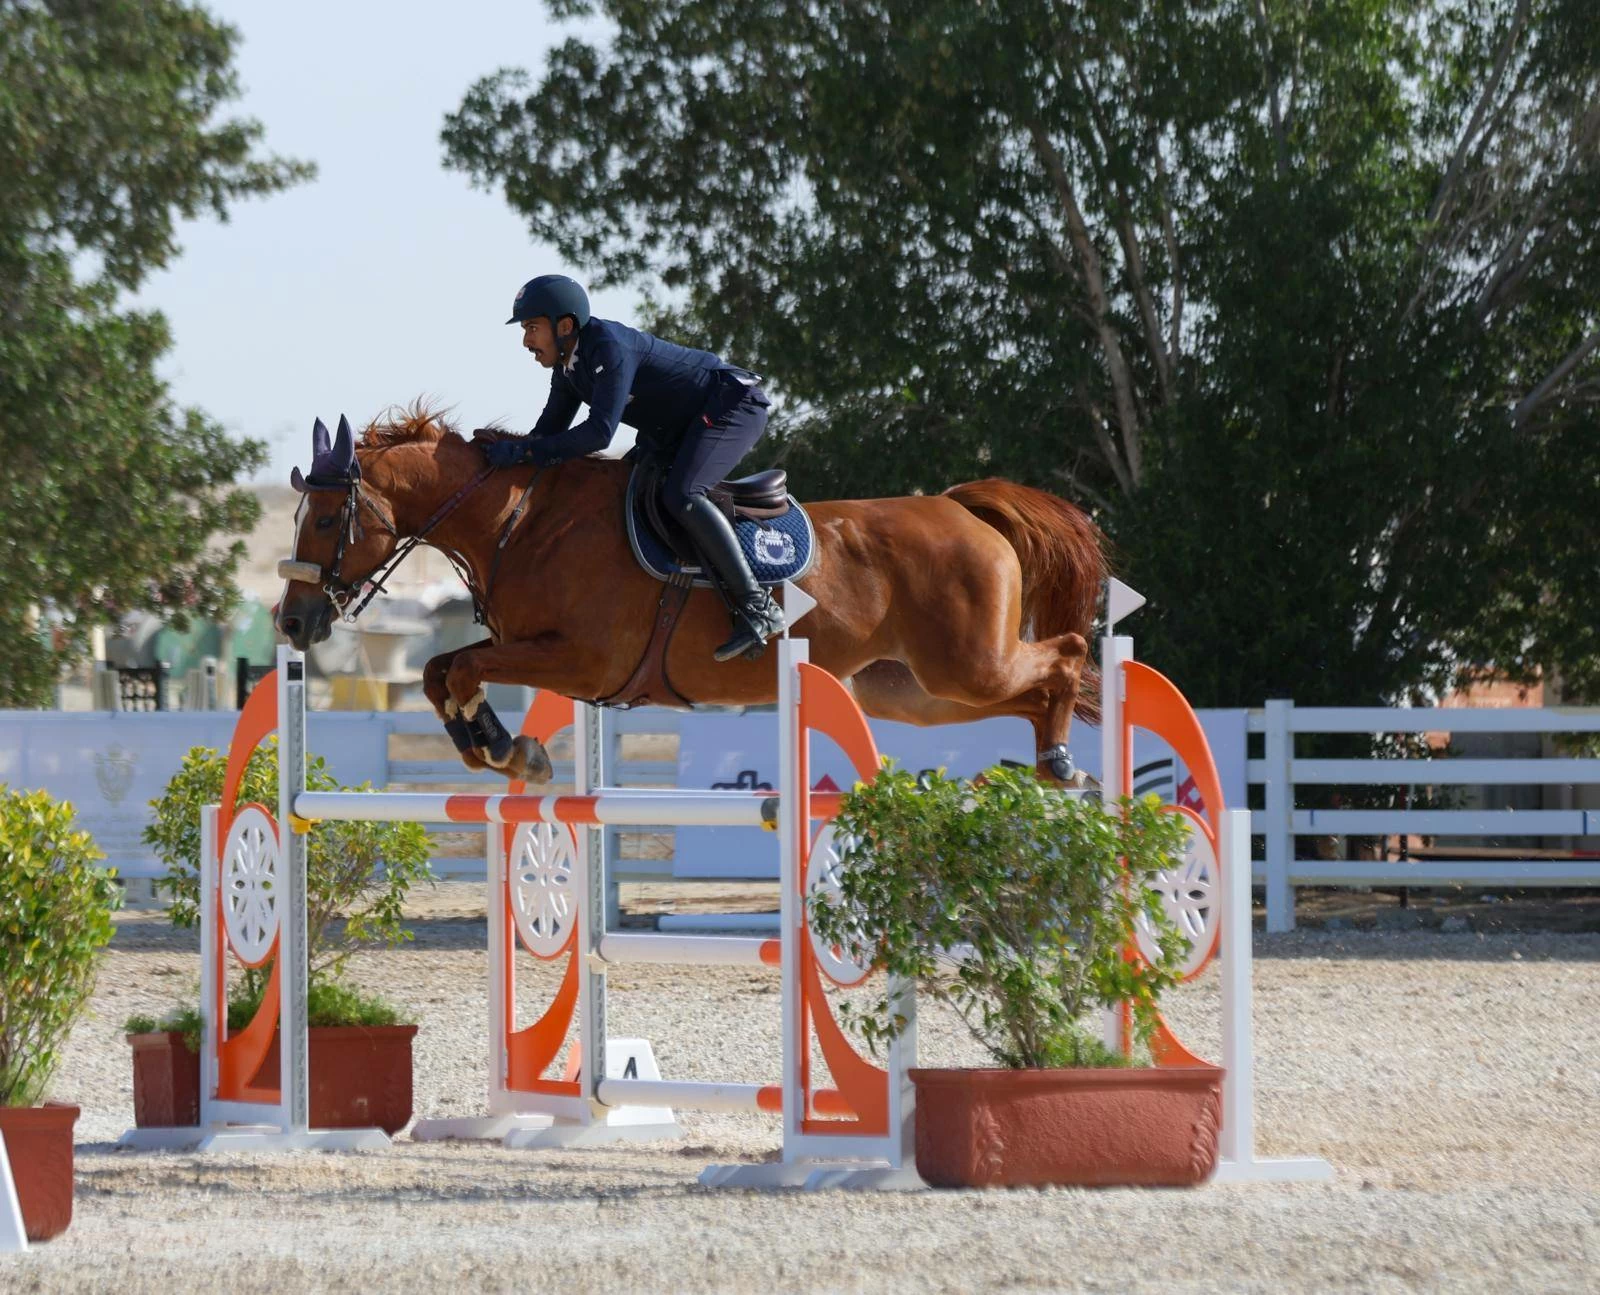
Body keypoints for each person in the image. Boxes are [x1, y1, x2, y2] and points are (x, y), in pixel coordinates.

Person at [483, 274, 786, 661]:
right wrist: (507, 452)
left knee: (683, 495)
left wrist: (524, 454)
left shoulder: (609, 348)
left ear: (564, 326)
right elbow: (547, 435)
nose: (526, 342)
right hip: (678, 425)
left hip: (730, 405)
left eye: (531, 328)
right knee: (619, 490)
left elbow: (598, 434)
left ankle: (759, 606)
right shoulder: (568, 369)